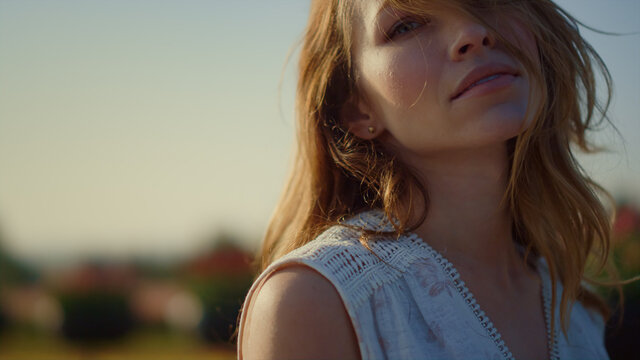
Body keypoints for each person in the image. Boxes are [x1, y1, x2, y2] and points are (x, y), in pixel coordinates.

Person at [238, 0, 618, 358]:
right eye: (406, 25)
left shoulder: (574, 302)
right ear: (357, 108)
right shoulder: (316, 301)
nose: (473, 31)